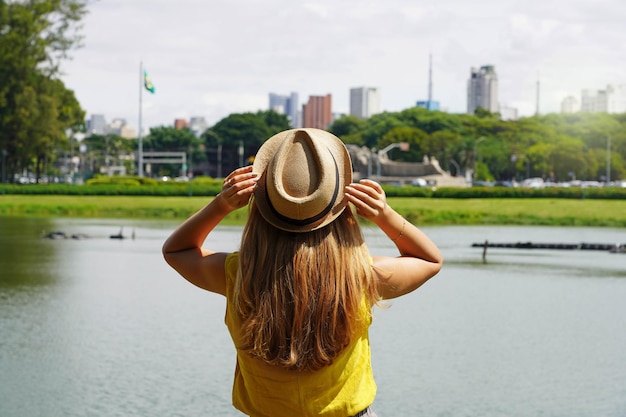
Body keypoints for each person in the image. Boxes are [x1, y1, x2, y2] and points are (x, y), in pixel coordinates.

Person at [162, 128, 443, 417]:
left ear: (258, 207)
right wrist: (384, 214)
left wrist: (220, 204)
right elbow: (429, 260)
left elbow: (176, 251)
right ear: (342, 208)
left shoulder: (238, 274)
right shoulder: (361, 276)